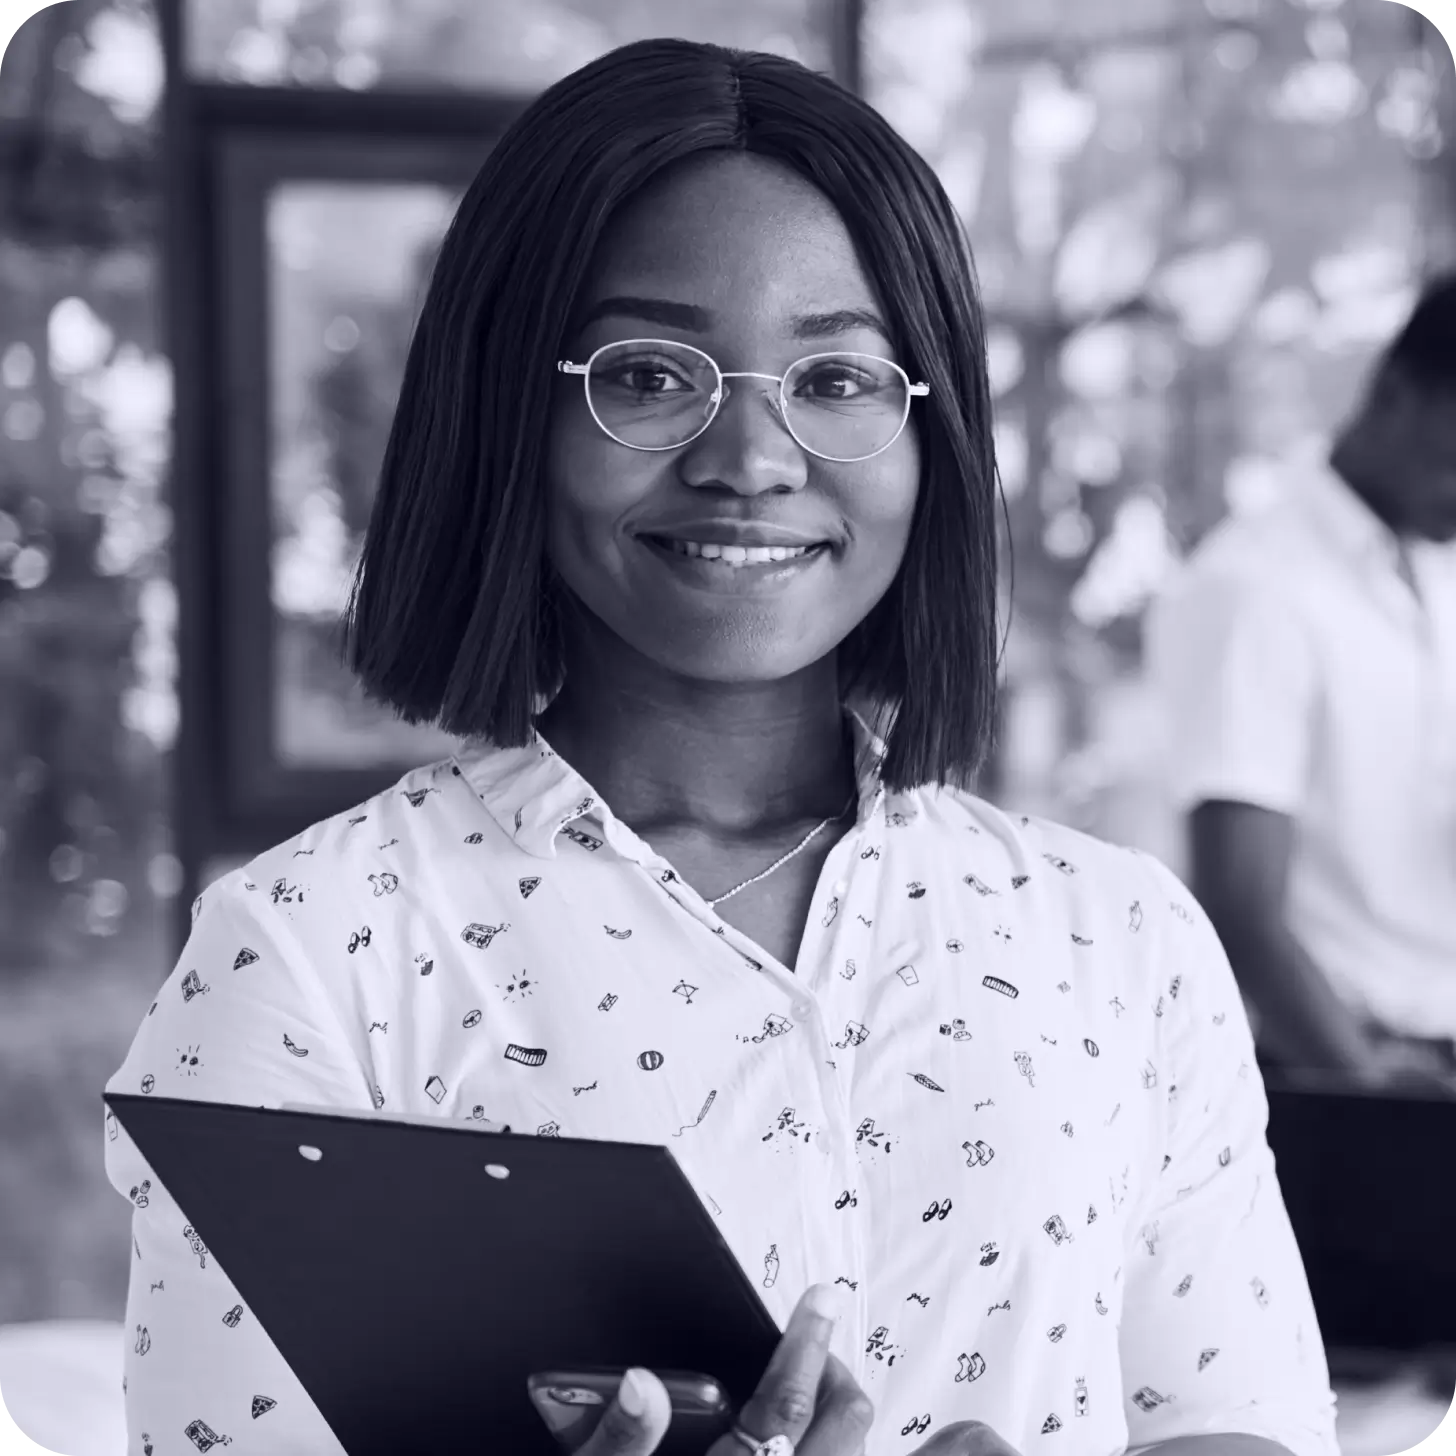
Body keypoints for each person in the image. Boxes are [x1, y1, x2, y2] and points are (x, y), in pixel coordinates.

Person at [104, 38, 1339, 1456]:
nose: (752, 457)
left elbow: (1242, 1428)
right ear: (515, 407)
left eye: (838, 379)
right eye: (647, 374)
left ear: (932, 430)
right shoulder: (316, 957)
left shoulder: (1122, 944)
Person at [1146, 277, 1456, 1094]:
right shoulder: (1255, 587)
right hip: (1335, 1071)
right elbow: (1241, 905)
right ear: (1396, 394)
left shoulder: (1438, 567)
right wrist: (1371, 1089)